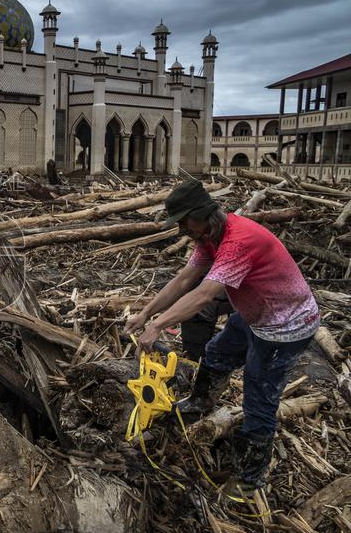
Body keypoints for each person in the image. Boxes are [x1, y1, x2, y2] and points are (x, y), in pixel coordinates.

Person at [126, 181, 319, 491]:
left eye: (184, 222)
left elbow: (204, 295)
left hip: (285, 328)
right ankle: (201, 402)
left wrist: (159, 325)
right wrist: (145, 314)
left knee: (258, 400)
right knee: (217, 352)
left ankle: (249, 479)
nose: (182, 230)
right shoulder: (208, 238)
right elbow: (184, 279)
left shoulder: (238, 241)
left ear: (201, 214)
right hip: (256, 315)